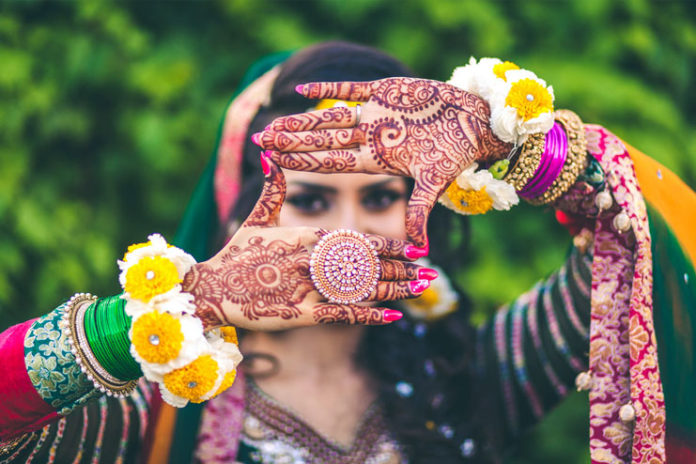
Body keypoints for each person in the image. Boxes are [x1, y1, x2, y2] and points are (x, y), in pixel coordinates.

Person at [0, 41, 693, 464]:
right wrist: (141, 326)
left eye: (381, 195)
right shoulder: (153, 411)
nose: (349, 231)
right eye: (309, 200)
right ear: (241, 216)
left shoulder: (471, 378)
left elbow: (657, 255)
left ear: (425, 208)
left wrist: (508, 140)